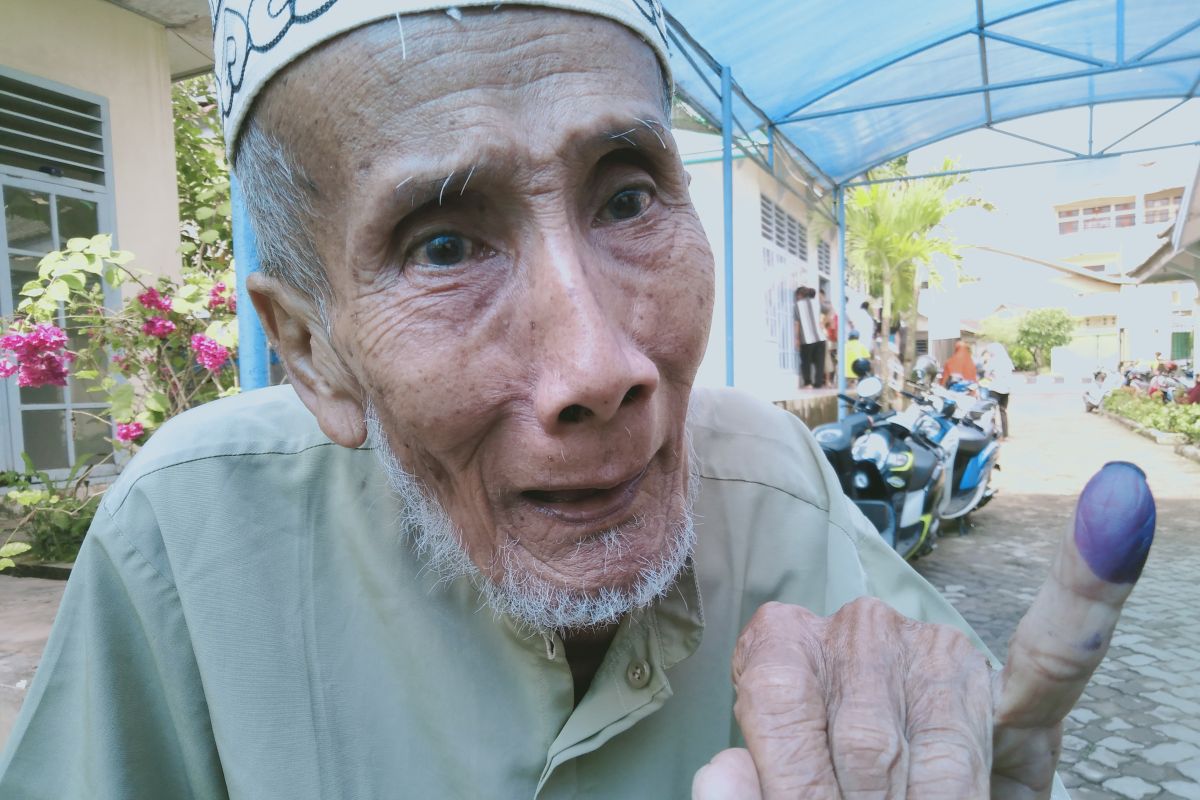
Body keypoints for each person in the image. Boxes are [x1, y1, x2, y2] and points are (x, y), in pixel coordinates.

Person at [0, 3, 1152, 798]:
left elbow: (933, 713)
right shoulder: (184, 541)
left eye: (628, 197)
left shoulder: (774, 480)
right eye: (445, 243)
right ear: (309, 348)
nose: (602, 365)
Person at [794, 285, 826, 388]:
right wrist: (823, 324)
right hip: (820, 338)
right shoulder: (817, 303)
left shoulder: (797, 305)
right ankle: (818, 384)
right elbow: (831, 311)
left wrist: (797, 339)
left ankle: (808, 383)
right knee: (819, 363)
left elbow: (797, 323)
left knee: (806, 362)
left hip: (807, 339)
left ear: (800, 295)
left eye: (796, 296)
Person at [982, 341, 1015, 438]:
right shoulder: (1007, 360)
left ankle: (993, 435)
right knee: (1003, 411)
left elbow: (986, 375)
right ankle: (1005, 435)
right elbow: (1010, 375)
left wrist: (991, 378)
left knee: (992, 412)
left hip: (995, 388)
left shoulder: (993, 361)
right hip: (1006, 389)